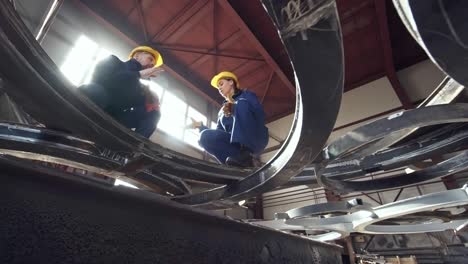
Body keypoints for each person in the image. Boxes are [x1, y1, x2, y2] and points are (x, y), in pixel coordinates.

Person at [80, 46, 163, 138]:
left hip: (112, 116)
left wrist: (151, 102)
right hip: (89, 100)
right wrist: (138, 74)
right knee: (96, 91)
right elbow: (104, 80)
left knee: (154, 113)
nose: (152, 65)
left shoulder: (138, 88)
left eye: (153, 64)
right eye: (150, 59)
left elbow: (142, 111)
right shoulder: (113, 60)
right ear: (137, 56)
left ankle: (133, 147)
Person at [189, 71, 269, 167]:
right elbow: (219, 134)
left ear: (231, 82)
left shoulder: (246, 95)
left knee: (241, 104)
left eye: (221, 84)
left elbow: (259, 114)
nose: (219, 88)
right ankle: (232, 166)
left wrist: (234, 108)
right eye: (218, 87)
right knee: (204, 136)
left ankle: (247, 154)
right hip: (235, 147)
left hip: (255, 138)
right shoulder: (222, 112)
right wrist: (201, 127)